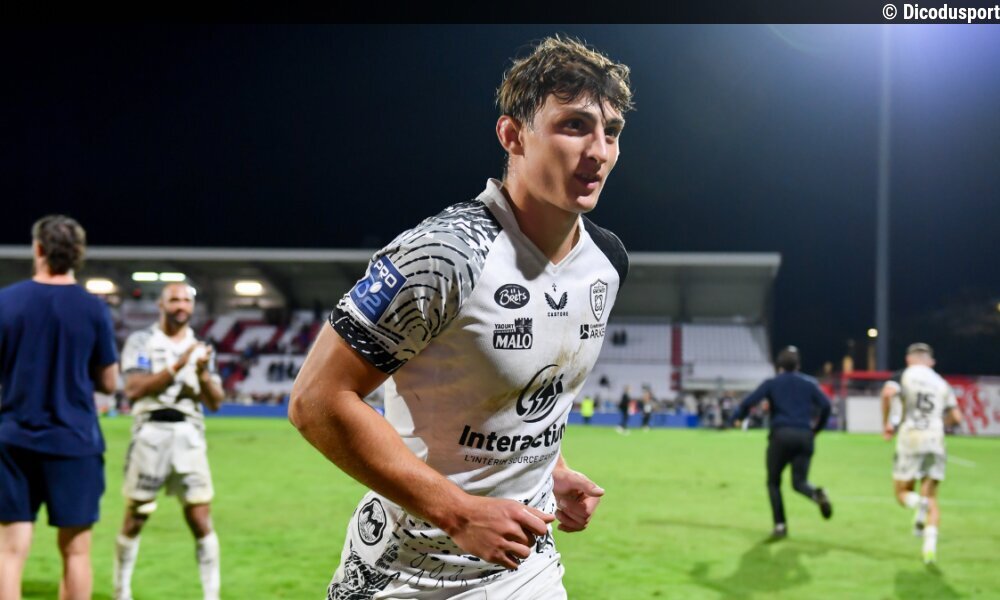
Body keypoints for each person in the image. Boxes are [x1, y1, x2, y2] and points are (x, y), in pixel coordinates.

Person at [290, 34, 632, 598]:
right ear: (512, 135)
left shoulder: (606, 261)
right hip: (405, 571)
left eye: (611, 131)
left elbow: (526, 397)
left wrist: (553, 471)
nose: (598, 151)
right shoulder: (446, 254)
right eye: (574, 126)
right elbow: (315, 400)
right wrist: (460, 512)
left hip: (526, 565)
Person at [0, 215, 119, 600]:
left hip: (13, 439)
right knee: (76, 551)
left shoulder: (6, 301)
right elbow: (109, 382)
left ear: (38, 249)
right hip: (74, 440)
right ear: (78, 254)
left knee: (9, 550)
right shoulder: (93, 309)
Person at [113, 283, 224, 600]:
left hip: (189, 436)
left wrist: (202, 374)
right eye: (174, 299)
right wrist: (177, 365)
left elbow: (215, 402)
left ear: (192, 307)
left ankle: (211, 595)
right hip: (150, 433)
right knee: (136, 516)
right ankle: (121, 592)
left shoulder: (200, 349)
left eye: (186, 300)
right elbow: (134, 389)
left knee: (200, 517)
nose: (181, 305)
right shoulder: (142, 341)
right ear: (161, 305)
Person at [732, 346, 833, 539]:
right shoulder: (809, 383)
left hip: (781, 435)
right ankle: (816, 494)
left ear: (779, 366)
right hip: (805, 436)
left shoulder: (772, 383)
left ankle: (780, 525)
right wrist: (816, 430)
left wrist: (738, 417)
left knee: (773, 482)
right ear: (798, 365)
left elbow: (748, 402)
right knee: (799, 482)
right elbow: (826, 405)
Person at [881, 342, 962, 564]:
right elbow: (956, 418)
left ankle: (918, 504)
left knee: (901, 492)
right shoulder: (941, 382)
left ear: (909, 359)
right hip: (935, 439)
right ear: (931, 361)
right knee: (932, 495)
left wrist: (887, 423)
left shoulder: (904, 375)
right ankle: (929, 549)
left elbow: (887, 394)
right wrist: (938, 424)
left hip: (910, 437)